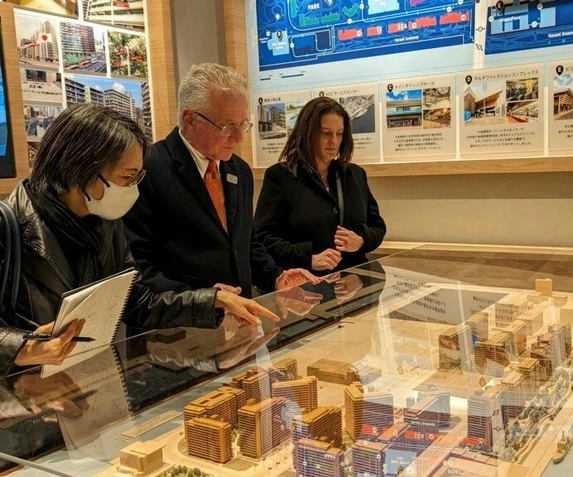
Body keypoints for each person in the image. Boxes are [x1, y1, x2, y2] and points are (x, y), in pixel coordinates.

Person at [0, 103, 279, 377]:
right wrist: (22, 349)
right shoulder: (9, 226)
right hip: (23, 401)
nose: (134, 189)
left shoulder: (105, 222)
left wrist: (212, 300)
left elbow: (137, 300)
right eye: (127, 177)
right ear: (78, 169)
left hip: (85, 386)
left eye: (138, 177)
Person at [123, 63, 318, 298]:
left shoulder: (239, 170)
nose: (238, 137)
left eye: (243, 125)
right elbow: (137, 267)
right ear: (190, 119)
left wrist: (275, 276)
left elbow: (246, 244)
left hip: (240, 316)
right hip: (178, 327)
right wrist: (201, 299)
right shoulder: (148, 169)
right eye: (228, 126)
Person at [254, 96, 386, 276]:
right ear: (307, 133)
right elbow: (263, 239)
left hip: (354, 285)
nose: (334, 141)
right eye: (325, 133)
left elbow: (377, 227)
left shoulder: (355, 175)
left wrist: (361, 241)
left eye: (339, 133)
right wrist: (308, 258)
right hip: (305, 288)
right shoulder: (279, 177)